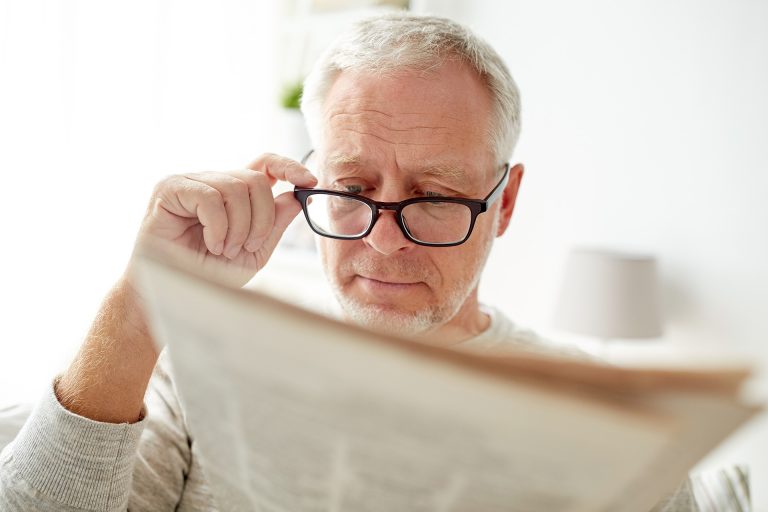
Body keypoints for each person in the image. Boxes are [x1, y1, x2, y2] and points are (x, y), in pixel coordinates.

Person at [0, 12, 642, 511]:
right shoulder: (200, 367)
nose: (385, 242)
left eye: (437, 196)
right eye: (354, 190)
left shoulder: (615, 424)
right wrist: (141, 308)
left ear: (503, 204)